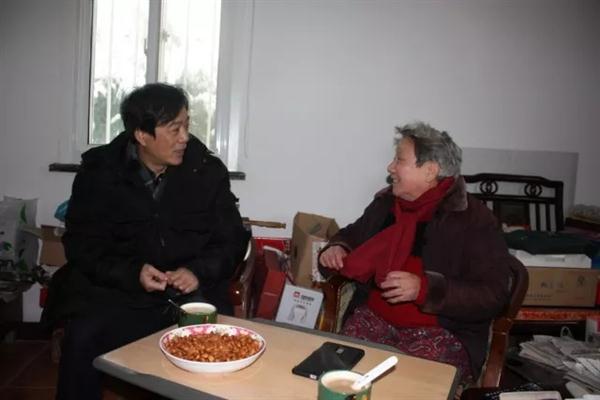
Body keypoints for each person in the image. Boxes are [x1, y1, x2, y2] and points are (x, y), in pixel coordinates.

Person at [42, 83, 249, 399]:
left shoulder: (206, 171)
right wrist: (132, 272)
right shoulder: (100, 173)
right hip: (121, 291)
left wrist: (198, 271)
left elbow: (232, 239)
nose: (185, 137)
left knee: (217, 347)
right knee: (82, 337)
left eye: (187, 125)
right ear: (141, 134)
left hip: (192, 293)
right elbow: (83, 245)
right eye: (174, 129)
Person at [318, 122, 518, 383]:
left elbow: (493, 295)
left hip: (441, 333)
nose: (390, 167)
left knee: (406, 387)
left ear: (430, 171)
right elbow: (352, 234)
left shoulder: (474, 220)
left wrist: (424, 289)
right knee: (336, 377)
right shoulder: (386, 205)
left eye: (399, 160)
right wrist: (338, 247)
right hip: (375, 320)